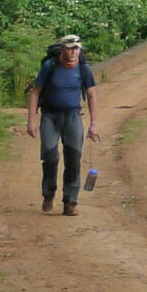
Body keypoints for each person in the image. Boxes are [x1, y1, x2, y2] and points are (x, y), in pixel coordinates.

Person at [26, 34, 99, 215]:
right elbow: (35, 93)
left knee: (73, 159)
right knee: (50, 157)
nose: (74, 52)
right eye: (70, 48)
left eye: (76, 48)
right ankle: (49, 193)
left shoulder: (84, 69)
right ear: (62, 49)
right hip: (50, 116)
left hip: (73, 116)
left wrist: (94, 124)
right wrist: (32, 121)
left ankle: (70, 202)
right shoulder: (49, 66)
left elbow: (91, 95)